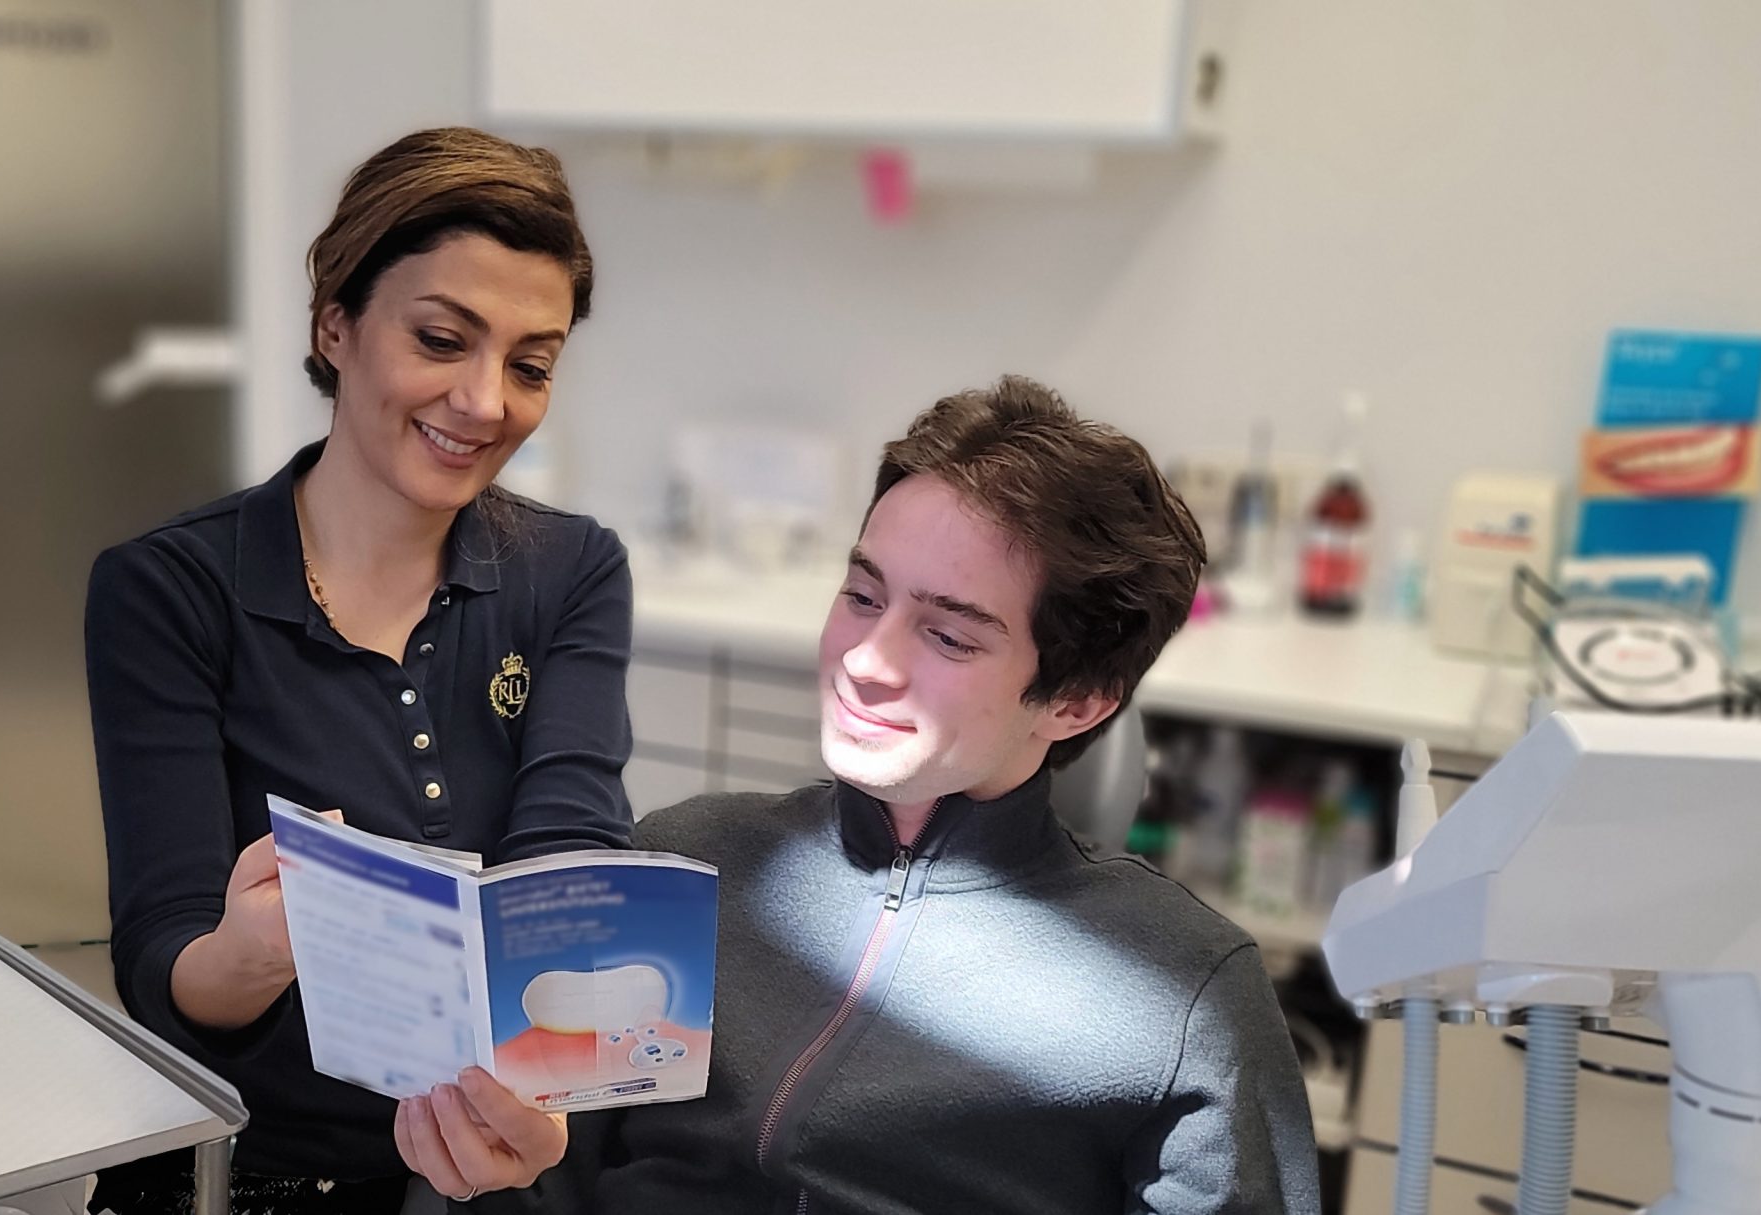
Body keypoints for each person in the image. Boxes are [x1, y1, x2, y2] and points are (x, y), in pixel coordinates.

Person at [473, 376, 1321, 1213]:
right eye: (862, 595)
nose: (867, 659)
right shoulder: (683, 864)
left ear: (1078, 699)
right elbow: (542, 1182)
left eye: (948, 635)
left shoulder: (1181, 996)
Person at [83, 127, 630, 1215]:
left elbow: (567, 854)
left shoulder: (571, 570)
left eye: (530, 365)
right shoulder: (169, 589)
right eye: (440, 339)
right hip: (248, 1174)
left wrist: (548, 1095)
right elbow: (163, 960)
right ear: (337, 326)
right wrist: (252, 952)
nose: (485, 402)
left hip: (491, 1163)